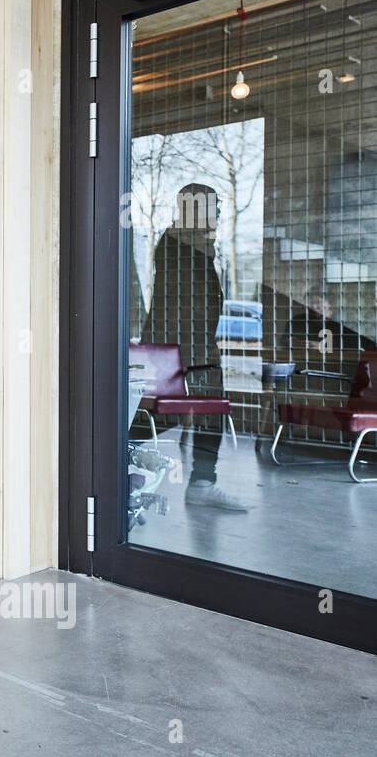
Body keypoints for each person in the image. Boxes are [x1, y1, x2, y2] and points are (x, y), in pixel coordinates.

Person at [141, 183, 249, 512]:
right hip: (182, 350)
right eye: (213, 210)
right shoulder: (181, 246)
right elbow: (180, 307)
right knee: (167, 415)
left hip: (191, 349)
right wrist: (191, 358)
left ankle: (202, 483)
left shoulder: (193, 246)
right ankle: (198, 483)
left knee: (201, 413)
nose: (218, 216)